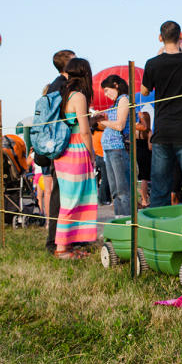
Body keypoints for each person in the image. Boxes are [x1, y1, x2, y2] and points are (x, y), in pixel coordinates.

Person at [140, 21, 182, 208]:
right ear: (181, 36)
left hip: (163, 130)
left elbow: (144, 91)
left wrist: (156, 61)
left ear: (160, 38)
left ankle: (158, 224)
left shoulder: (152, 64)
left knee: (160, 183)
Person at [53, 57, 98, 259]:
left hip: (65, 152)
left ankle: (68, 245)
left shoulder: (65, 94)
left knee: (72, 198)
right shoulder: (79, 96)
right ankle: (61, 248)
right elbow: (85, 131)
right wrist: (92, 154)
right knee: (72, 200)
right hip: (76, 149)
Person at [96, 74, 145, 215]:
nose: (106, 94)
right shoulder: (116, 103)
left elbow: (119, 125)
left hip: (119, 148)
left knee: (123, 189)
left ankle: (127, 220)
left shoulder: (124, 100)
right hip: (110, 150)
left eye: (107, 90)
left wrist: (102, 122)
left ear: (116, 85)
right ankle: (119, 218)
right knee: (115, 190)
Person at [42, 49, 75, 253]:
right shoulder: (62, 87)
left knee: (60, 193)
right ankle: (56, 241)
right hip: (62, 143)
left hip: (57, 142)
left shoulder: (55, 85)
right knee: (61, 195)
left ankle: (60, 240)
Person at [135, 106, 152, 207]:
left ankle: (138, 199)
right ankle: (144, 200)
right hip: (146, 155)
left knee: (138, 178)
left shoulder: (136, 130)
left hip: (137, 154)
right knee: (145, 178)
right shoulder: (148, 132)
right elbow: (150, 147)